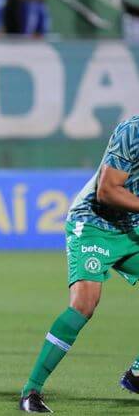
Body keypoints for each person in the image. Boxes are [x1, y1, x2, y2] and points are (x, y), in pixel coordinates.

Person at [19, 115, 139, 412]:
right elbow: (107, 190)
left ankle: (138, 373)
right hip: (94, 222)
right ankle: (30, 391)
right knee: (85, 303)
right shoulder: (132, 130)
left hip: (132, 227)